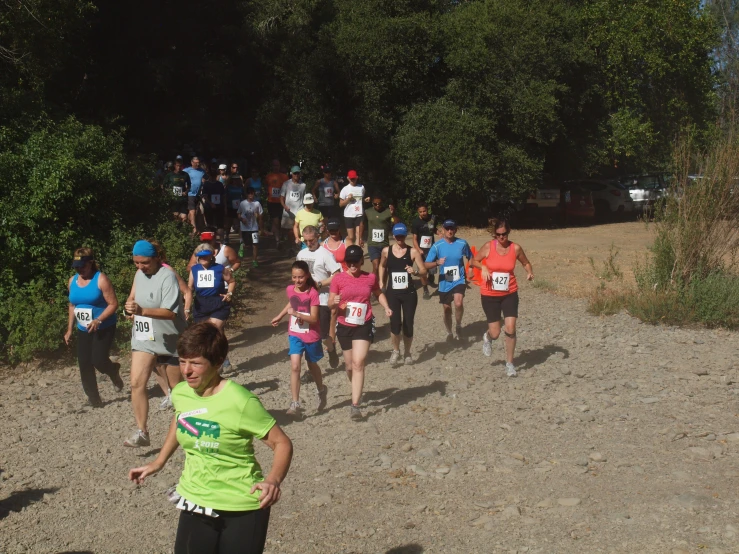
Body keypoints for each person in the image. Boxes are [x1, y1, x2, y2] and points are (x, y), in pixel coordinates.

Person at [128, 322, 293, 554]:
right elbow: (182, 419)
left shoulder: (241, 401)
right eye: (183, 361)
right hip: (195, 498)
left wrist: (273, 480)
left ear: (217, 363)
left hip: (241, 504)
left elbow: (281, 442)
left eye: (195, 363)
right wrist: (159, 461)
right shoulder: (183, 393)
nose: (186, 371)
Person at [123, 240, 188, 447]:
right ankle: (142, 432)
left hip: (171, 339)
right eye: (136, 263)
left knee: (177, 390)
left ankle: (187, 427)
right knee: (136, 383)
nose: (140, 267)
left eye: (145, 263)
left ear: (156, 259)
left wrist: (142, 311)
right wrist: (128, 310)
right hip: (144, 339)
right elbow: (131, 299)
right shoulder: (138, 275)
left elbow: (170, 313)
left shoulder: (167, 276)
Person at [328, 245, 392, 420]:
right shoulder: (338, 279)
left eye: (355, 261)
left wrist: (386, 307)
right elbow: (330, 303)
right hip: (344, 325)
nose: (352, 265)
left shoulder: (369, 278)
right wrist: (336, 302)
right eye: (348, 262)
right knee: (349, 366)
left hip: (364, 323)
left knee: (358, 363)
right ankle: (357, 388)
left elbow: (378, 293)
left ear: (361, 261)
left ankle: (355, 405)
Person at [471, 219, 534, 377]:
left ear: (508, 232)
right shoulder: (488, 246)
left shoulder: (515, 248)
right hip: (490, 295)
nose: (501, 238)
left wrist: (529, 272)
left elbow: (526, 262)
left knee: (511, 328)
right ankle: (488, 336)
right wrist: (483, 266)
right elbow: (473, 261)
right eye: (498, 235)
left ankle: (510, 363)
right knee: (496, 332)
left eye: (504, 234)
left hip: (509, 293)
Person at [64, 248, 123, 406]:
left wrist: (98, 320)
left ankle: (113, 370)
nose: (79, 269)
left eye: (82, 266)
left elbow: (113, 304)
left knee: (98, 360)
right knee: (84, 363)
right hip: (83, 327)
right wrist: (69, 329)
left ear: (90, 263)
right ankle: (94, 399)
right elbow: (72, 305)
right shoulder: (72, 281)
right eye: (77, 266)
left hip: (103, 326)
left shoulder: (101, 279)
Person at [270, 261, 329, 417]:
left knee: (312, 364)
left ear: (307, 276)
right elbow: (292, 301)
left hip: (311, 334)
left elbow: (315, 318)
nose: (297, 280)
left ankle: (321, 389)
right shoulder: (290, 289)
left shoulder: (313, 293)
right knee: (295, 366)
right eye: (294, 277)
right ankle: (295, 403)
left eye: (301, 277)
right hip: (295, 333)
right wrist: (280, 316)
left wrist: (297, 314)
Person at [379, 224, 427, 365]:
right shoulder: (386, 251)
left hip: (409, 293)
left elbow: (424, 270)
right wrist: (381, 281)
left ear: (406, 236)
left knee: (408, 323)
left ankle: (407, 352)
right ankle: (395, 350)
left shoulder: (413, 252)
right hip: (392, 293)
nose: (400, 239)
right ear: (393, 236)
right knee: (395, 324)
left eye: (402, 236)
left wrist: (416, 272)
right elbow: (382, 266)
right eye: (397, 236)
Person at [297, 226, 342, 368]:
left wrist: (320, 284)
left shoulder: (325, 254)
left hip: (322, 299)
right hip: (305, 300)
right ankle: (310, 368)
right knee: (305, 335)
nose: (309, 243)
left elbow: (337, 274)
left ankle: (331, 349)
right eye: (306, 240)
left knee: (323, 336)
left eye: (312, 240)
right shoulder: (301, 254)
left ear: (318, 237)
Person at [423, 220, 473, 342]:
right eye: (447, 229)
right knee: (447, 309)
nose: (450, 231)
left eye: (452, 229)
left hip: (458, 279)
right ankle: (449, 332)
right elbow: (426, 264)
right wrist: (436, 263)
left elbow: (471, 257)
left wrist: (470, 268)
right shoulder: (437, 246)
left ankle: (458, 325)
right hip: (445, 282)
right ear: (443, 230)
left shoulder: (462, 243)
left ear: (455, 230)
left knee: (458, 303)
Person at [411, 201, 440, 299]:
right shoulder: (416, 223)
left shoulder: (432, 218)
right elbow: (414, 239)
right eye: (420, 212)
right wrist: (418, 249)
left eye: (424, 211)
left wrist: (438, 232)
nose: (423, 213)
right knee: (423, 270)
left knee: (432, 270)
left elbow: (433, 228)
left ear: (427, 210)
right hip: (421, 250)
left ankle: (431, 276)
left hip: (432, 248)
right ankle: (425, 290)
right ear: (418, 212)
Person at [364, 193, 396, 279]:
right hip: (372, 244)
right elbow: (361, 224)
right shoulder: (368, 212)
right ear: (372, 203)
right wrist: (359, 238)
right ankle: (375, 287)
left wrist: (393, 213)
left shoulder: (388, 211)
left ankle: (383, 287)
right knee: (376, 266)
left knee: (384, 267)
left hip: (384, 244)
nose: (377, 205)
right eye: (375, 204)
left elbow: (396, 223)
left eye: (379, 203)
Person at [280, 166, 306, 249]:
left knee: (299, 229)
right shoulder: (286, 184)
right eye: (295, 173)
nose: (296, 175)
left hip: (299, 211)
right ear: (291, 174)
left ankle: (298, 245)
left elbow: (304, 198)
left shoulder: (303, 185)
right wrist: (284, 206)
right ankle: (290, 245)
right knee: (289, 231)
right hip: (289, 212)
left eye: (298, 173)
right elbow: (281, 197)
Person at [265, 159, 289, 248]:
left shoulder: (285, 177)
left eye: (277, 165)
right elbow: (266, 186)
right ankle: (278, 240)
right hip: (272, 202)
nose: (276, 167)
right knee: (275, 221)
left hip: (282, 202)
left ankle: (282, 237)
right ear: (272, 166)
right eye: (274, 165)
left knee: (282, 222)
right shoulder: (268, 176)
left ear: (279, 166)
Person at [237, 187, 263, 267]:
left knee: (255, 244)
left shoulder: (257, 204)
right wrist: (241, 219)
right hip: (245, 228)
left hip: (254, 227)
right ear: (247, 194)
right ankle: (241, 246)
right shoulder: (242, 203)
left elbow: (261, 216)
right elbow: (238, 214)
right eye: (249, 193)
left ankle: (254, 260)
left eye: (252, 193)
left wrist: (261, 228)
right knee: (247, 245)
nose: (251, 195)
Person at [339, 170, 366, 246]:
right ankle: (349, 249)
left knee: (359, 235)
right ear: (348, 178)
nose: (353, 180)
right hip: (348, 215)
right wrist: (348, 199)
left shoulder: (361, 187)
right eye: (351, 179)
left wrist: (365, 200)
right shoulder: (345, 189)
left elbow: (360, 200)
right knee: (351, 237)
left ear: (357, 177)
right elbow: (340, 204)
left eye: (354, 178)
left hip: (359, 214)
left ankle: (356, 253)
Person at [164, 159, 191, 223]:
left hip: (183, 199)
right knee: (175, 216)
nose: (179, 167)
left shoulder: (185, 175)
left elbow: (189, 185)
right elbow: (164, 185)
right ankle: (176, 231)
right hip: (174, 199)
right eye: (177, 166)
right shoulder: (169, 175)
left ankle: (183, 231)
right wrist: (169, 192)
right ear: (174, 166)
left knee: (183, 217)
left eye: (180, 166)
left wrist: (186, 192)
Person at [202, 165, 226, 237]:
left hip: (219, 206)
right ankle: (212, 240)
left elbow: (223, 196)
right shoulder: (206, 184)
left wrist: (225, 207)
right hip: (209, 207)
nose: (213, 177)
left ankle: (222, 241)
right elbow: (205, 196)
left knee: (220, 225)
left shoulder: (219, 184)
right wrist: (211, 203)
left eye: (214, 175)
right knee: (210, 225)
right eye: (212, 175)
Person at [184, 156, 206, 233]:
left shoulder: (202, 171)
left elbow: (205, 180)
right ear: (192, 162)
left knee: (198, 212)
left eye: (198, 163)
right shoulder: (187, 170)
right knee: (192, 211)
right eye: (195, 163)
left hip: (198, 194)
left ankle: (193, 228)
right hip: (190, 193)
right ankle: (194, 229)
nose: (197, 164)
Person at [224, 174, 244, 246]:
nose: (235, 180)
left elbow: (243, 196)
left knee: (239, 224)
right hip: (230, 207)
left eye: (236, 179)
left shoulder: (241, 187)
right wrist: (225, 207)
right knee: (228, 223)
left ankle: (241, 239)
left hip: (239, 207)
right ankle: (226, 237)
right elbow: (225, 197)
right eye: (234, 179)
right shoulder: (228, 187)